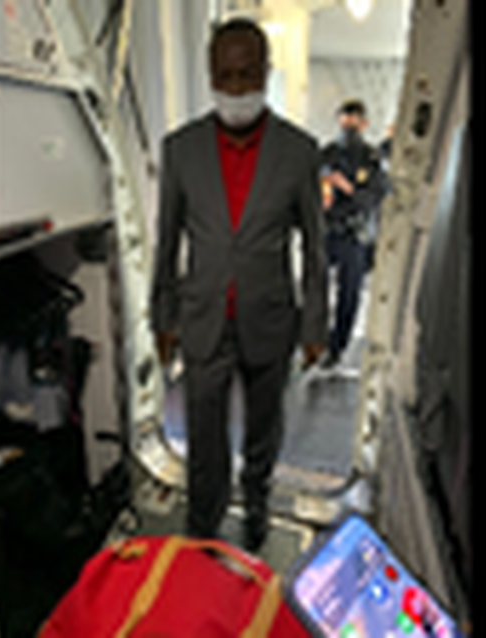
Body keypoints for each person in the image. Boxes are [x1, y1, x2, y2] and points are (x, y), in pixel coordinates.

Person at [149, 17, 328, 551]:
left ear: (266, 73)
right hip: (202, 316)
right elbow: (166, 241)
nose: (235, 89)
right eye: (224, 76)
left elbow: (316, 252)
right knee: (203, 432)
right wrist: (163, 317)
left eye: (247, 74)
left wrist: (314, 324)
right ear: (209, 74)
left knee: (263, 428)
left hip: (270, 316)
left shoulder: (299, 151)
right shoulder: (181, 149)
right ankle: (203, 521)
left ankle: (256, 505)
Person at [319, 100, 389, 369]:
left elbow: (375, 197)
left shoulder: (371, 158)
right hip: (327, 229)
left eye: (355, 120)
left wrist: (347, 188)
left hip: (355, 233)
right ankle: (315, 341)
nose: (349, 124)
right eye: (345, 118)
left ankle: (337, 346)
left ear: (365, 124)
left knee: (349, 293)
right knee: (316, 288)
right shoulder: (326, 153)